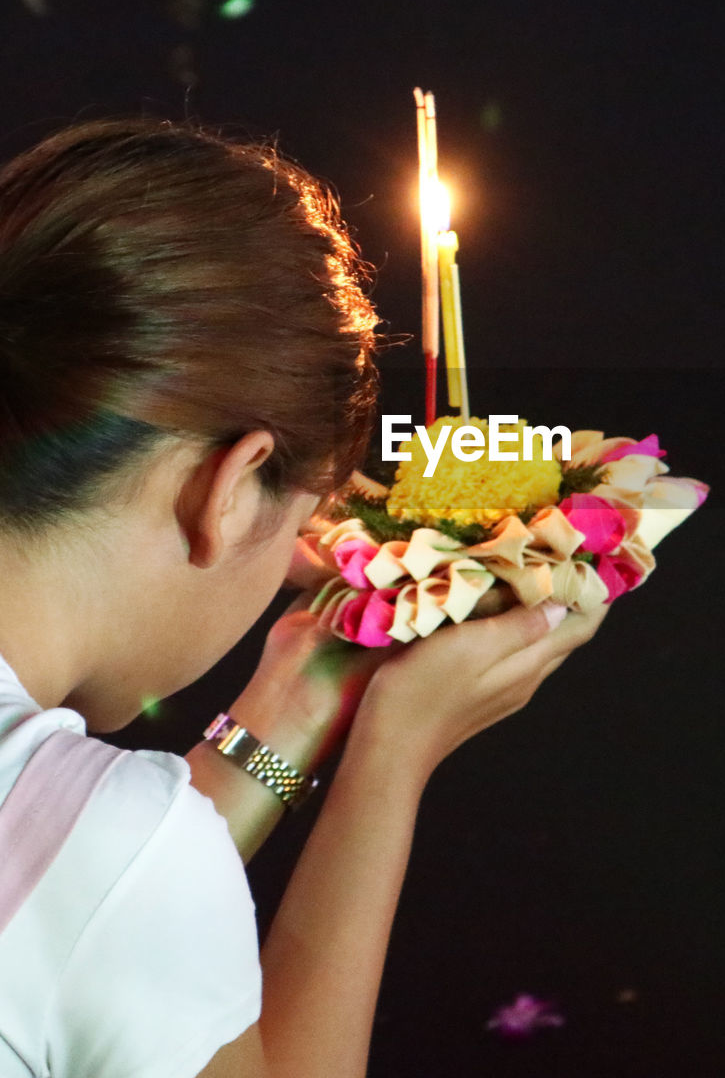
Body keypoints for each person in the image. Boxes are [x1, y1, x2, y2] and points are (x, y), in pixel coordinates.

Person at [0, 118, 604, 1078]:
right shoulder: (102, 855)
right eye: (299, 518)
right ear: (232, 487)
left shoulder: (87, 854)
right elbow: (87, 895)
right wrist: (392, 759)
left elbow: (65, 915)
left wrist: (301, 693)